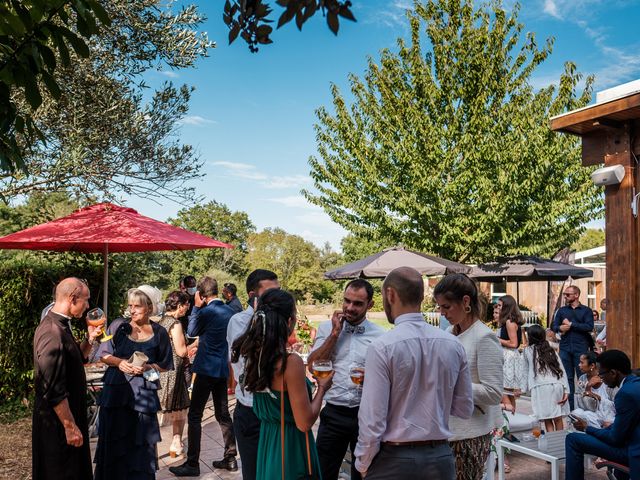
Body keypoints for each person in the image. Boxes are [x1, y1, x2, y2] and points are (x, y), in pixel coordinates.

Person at [354, 267, 474, 479]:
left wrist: (363, 463)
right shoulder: (453, 345)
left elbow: (372, 420)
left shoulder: (382, 347)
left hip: (393, 461)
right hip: (440, 459)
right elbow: (464, 408)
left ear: (390, 294)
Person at [231, 289, 333, 479]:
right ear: (289, 322)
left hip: (268, 443)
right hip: (290, 446)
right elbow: (304, 423)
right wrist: (322, 389)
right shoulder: (290, 363)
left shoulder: (254, 357)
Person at [307, 279, 385, 480]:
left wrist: (374, 378)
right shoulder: (326, 328)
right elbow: (313, 366)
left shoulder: (380, 335)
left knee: (363, 473)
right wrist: (334, 335)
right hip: (334, 412)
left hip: (366, 414)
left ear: (370, 305)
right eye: (347, 301)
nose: (350, 308)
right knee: (322, 472)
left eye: (357, 304)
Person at [94, 286, 174, 480]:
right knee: (114, 443)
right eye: (130, 306)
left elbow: (165, 364)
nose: (132, 310)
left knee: (141, 446)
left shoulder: (160, 332)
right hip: (115, 396)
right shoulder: (118, 326)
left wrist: (148, 367)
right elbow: (103, 355)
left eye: (137, 306)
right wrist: (120, 363)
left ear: (149, 307)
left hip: (143, 396)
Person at [435, 274, 503, 480]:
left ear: (465, 302)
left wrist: (452, 385)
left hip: (469, 434)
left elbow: (494, 393)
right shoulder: (448, 332)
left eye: (446, 307)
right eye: (440, 307)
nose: (442, 312)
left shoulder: (484, 337)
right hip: (446, 429)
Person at [169, 276, 237, 477]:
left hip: (206, 368)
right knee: (223, 414)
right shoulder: (230, 310)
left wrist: (196, 308)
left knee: (195, 415)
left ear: (201, 294)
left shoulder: (206, 311)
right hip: (222, 368)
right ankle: (230, 458)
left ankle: (192, 463)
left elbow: (191, 331)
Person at [33, 277, 100, 480]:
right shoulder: (51, 332)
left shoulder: (62, 325)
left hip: (69, 417)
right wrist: (70, 427)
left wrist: (90, 339)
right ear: (72, 298)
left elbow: (77, 358)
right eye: (86, 300)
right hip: (57, 425)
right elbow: (53, 388)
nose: (88, 305)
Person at [226, 269, 280, 480]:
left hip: (276, 410)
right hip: (251, 411)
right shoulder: (239, 321)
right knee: (254, 474)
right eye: (270, 293)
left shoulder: (278, 321)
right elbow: (250, 365)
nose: (276, 298)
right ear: (252, 296)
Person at [565, 350, 640, 479]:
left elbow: (614, 439)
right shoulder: (635, 384)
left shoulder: (625, 394)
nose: (600, 377)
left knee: (573, 439)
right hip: (631, 440)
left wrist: (587, 428)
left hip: (632, 451)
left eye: (602, 373)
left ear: (613, 373)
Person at [157, 290, 191, 457]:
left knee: (167, 408)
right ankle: (176, 443)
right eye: (186, 305)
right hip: (174, 372)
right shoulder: (175, 324)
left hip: (162, 370)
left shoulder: (161, 321)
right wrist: (196, 344)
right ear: (179, 306)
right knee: (179, 407)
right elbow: (181, 351)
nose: (187, 308)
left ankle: (173, 445)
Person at [521, 324, 570, 433]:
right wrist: (566, 390)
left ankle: (552, 444)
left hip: (540, 387)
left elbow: (524, 372)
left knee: (547, 419)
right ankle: (559, 443)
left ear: (530, 337)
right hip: (557, 386)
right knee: (558, 418)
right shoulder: (551, 350)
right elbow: (561, 369)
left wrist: (522, 389)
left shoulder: (527, 351)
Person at [551, 285, 594, 409]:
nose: (565, 296)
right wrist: (560, 328)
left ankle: (585, 406)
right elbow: (553, 326)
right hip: (565, 347)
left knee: (582, 377)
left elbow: (589, 326)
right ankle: (571, 409)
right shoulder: (562, 310)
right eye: (565, 294)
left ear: (576, 295)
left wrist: (571, 324)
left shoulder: (586, 311)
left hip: (581, 348)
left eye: (568, 294)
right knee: (567, 378)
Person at [571, 352, 615, 429]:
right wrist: (588, 388)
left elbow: (614, 406)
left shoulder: (606, 380)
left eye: (582, 363)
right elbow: (579, 404)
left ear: (592, 365)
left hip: (606, 414)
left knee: (587, 415)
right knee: (576, 413)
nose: (579, 365)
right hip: (588, 411)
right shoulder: (582, 378)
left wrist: (599, 398)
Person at [496, 295, 525, 413]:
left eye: (499, 305)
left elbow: (514, 343)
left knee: (503, 390)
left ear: (506, 307)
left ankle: (509, 416)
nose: (497, 307)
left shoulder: (509, 322)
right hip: (508, 356)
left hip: (509, 357)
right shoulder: (507, 321)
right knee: (508, 392)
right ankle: (512, 418)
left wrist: (497, 339)